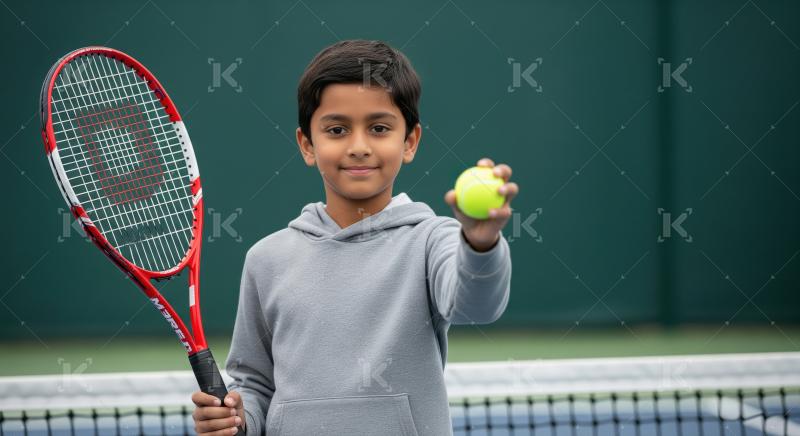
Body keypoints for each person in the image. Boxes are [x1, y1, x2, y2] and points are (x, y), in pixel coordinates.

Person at [191, 39, 518, 436]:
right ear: (307, 145)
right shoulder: (266, 259)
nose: (359, 146)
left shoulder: (434, 241)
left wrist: (479, 243)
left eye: (379, 128)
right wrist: (238, 421)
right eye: (337, 129)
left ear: (409, 141)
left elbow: (476, 307)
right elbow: (255, 384)